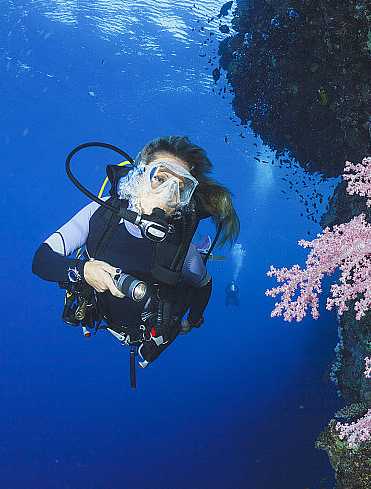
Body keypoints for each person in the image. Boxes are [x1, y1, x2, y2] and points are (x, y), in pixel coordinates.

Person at [32, 136, 239, 368]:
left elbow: (203, 285)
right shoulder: (100, 214)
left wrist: (191, 321)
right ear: (138, 177)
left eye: (179, 189)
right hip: (101, 312)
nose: (168, 196)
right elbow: (41, 259)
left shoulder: (182, 249)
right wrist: (83, 270)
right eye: (159, 179)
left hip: (144, 332)